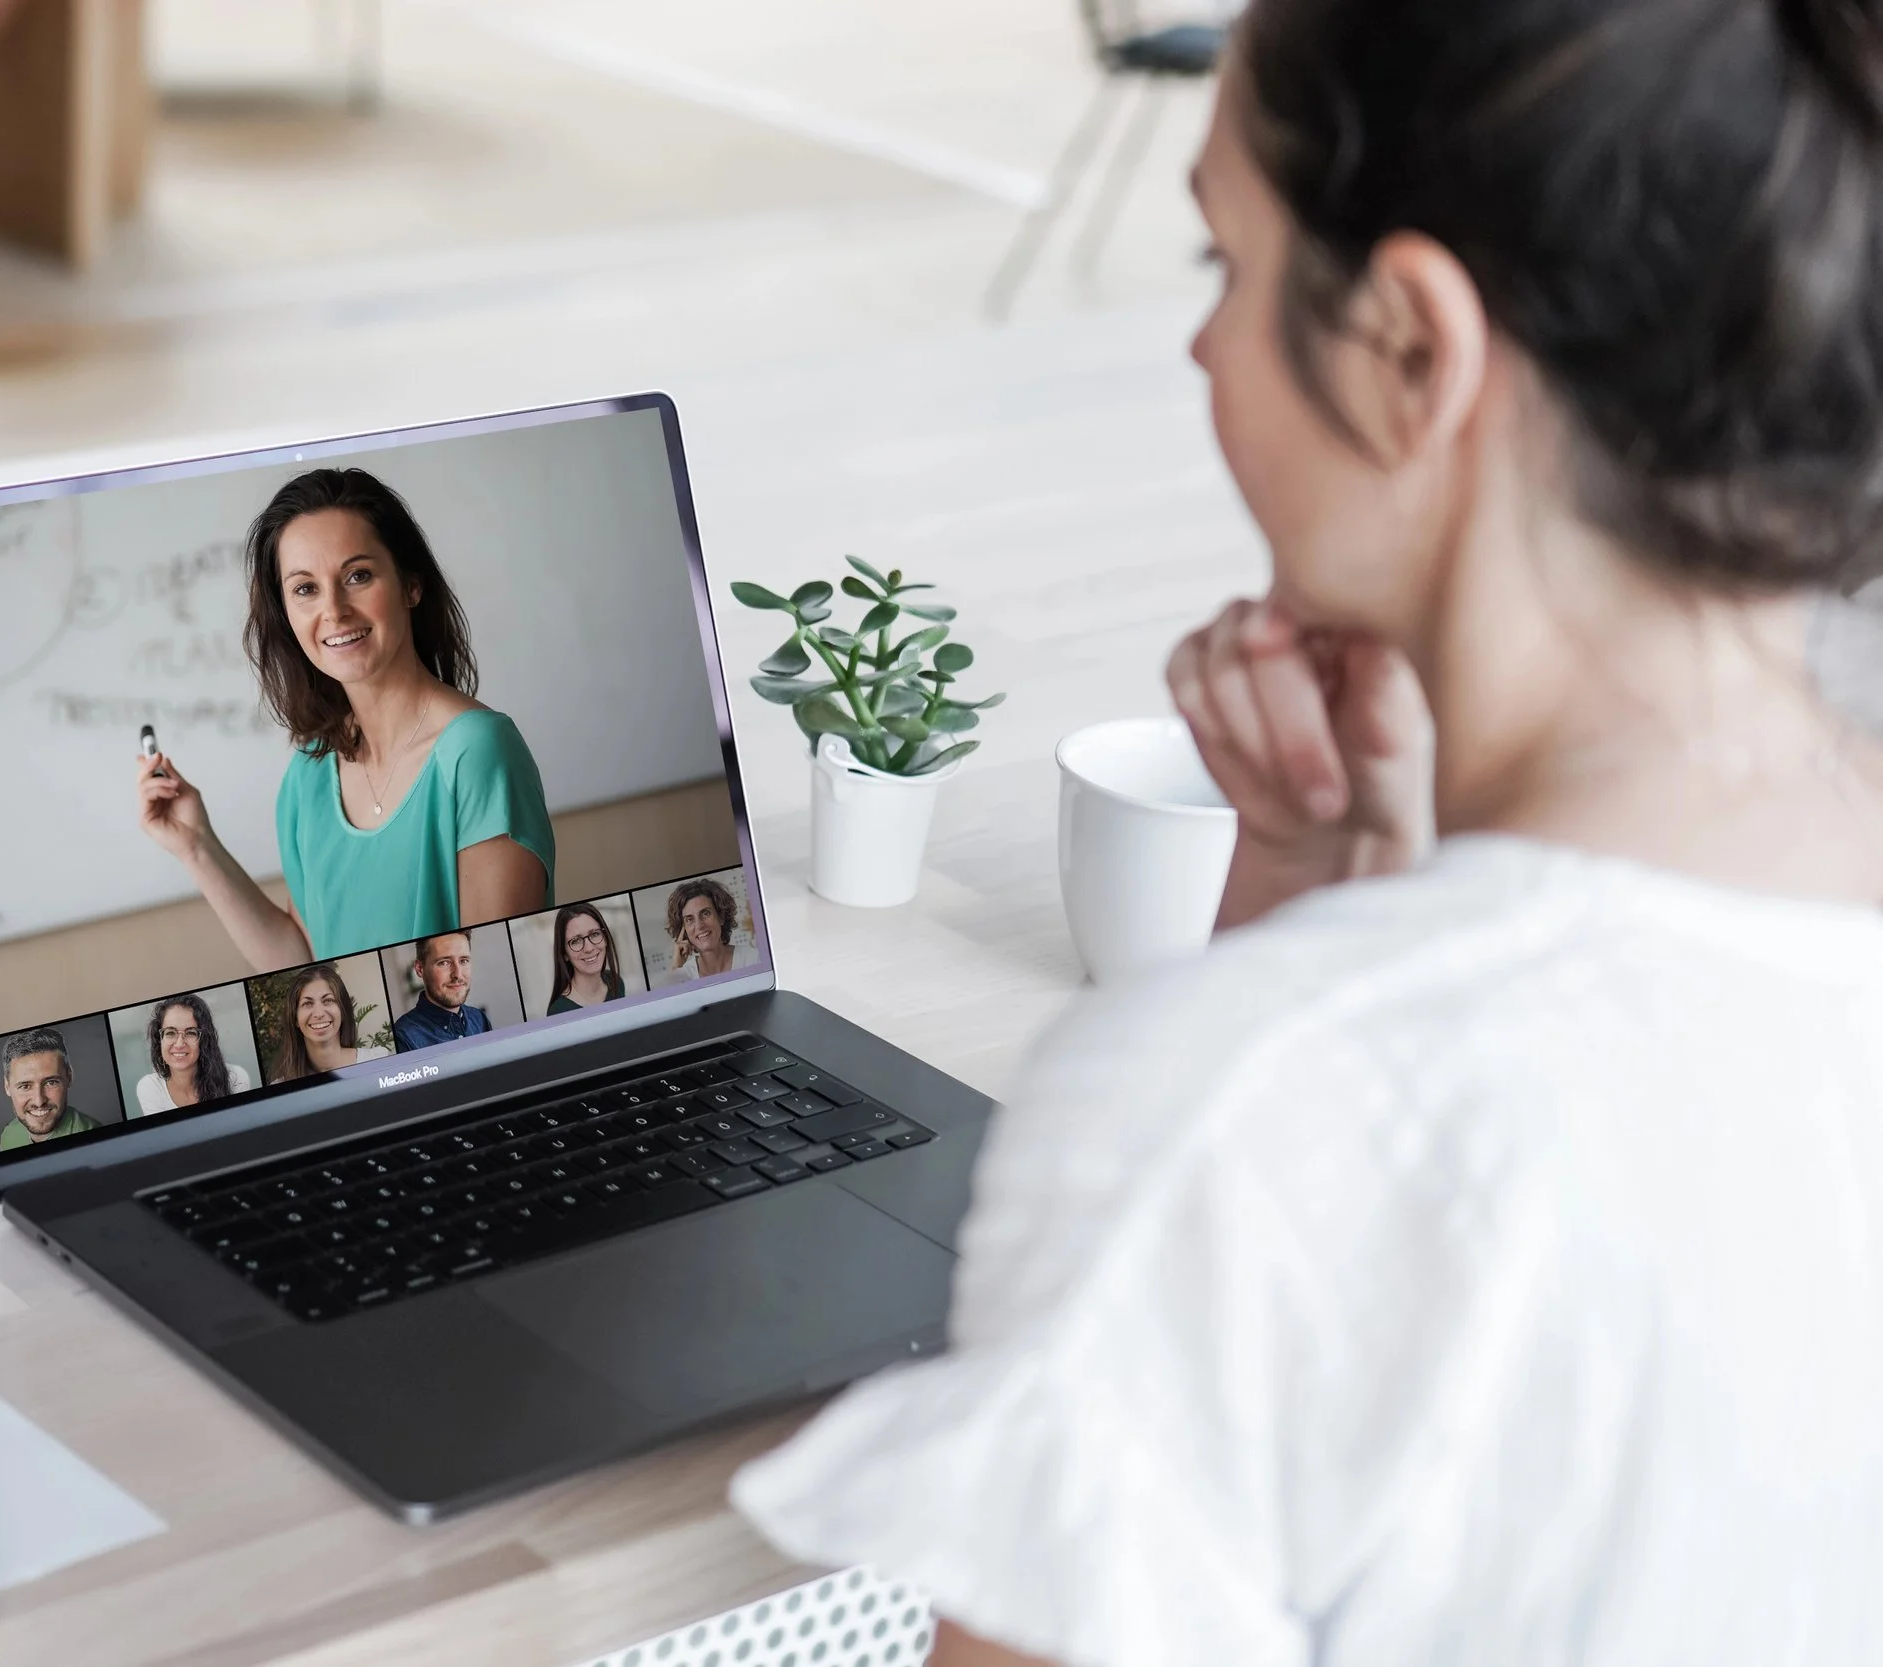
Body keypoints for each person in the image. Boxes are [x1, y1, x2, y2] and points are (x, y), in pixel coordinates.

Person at [733, 5, 1883, 1664]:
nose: (1202, 346)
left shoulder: (1246, 1106)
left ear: (1412, 348)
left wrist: (1280, 1010)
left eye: (1222, 263)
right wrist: (1327, 917)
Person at [137, 468, 556, 974]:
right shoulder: (307, 777)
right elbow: (304, 959)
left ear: (411, 586)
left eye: (358, 576)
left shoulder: (478, 751)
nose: (333, 610)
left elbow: (499, 983)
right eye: (305, 589)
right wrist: (196, 846)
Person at [263, 962, 390, 1082]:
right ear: (295, 1018)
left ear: (343, 1010)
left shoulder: (378, 1061)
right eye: (307, 1003)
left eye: (328, 1000)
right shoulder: (280, 1087)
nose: (319, 1014)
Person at [133, 992, 252, 1114]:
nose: (179, 1044)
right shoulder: (150, 1088)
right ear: (160, 1040)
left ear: (204, 1040)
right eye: (170, 1033)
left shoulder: (236, 1078)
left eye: (190, 1033)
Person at [0, 1028, 102, 1150]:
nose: (39, 1101)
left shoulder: (94, 1139)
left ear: (69, 1077)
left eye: (51, 1083)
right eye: (25, 1086)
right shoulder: (9, 1135)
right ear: (7, 1086)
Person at [392, 931, 492, 1051]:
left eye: (463, 961)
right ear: (420, 969)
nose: (458, 975)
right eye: (444, 963)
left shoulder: (479, 1018)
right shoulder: (403, 1036)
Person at [658, 877, 751, 982]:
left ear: (721, 917)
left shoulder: (751, 959)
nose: (699, 926)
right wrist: (676, 968)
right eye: (689, 919)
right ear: (684, 930)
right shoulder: (684, 976)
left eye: (706, 913)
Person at [545, 902, 626, 1014]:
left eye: (594, 934)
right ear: (565, 954)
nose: (589, 948)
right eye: (576, 941)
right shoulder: (559, 1011)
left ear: (605, 938)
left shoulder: (616, 982)